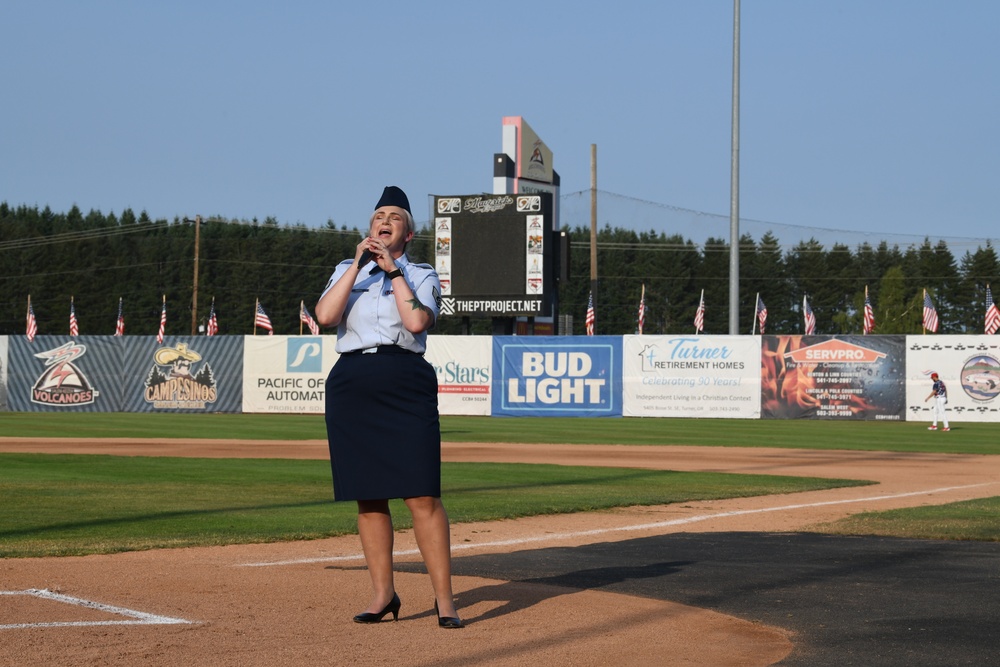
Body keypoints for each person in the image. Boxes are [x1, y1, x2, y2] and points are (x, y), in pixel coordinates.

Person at [314, 185, 462, 629]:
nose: (384, 220)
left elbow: (416, 320)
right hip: (352, 381)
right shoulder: (346, 269)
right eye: (379, 214)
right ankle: (383, 595)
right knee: (368, 495)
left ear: (408, 234)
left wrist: (393, 271)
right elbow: (325, 317)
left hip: (404, 381)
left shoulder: (421, 274)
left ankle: (445, 600)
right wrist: (358, 266)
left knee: (422, 495)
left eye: (394, 216)